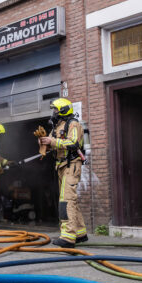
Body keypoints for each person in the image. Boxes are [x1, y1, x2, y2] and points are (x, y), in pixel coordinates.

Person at [38, 98, 87, 248]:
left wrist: (52, 142)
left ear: (63, 111)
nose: (54, 113)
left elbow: (73, 143)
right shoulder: (58, 126)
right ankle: (80, 233)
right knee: (71, 199)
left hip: (71, 165)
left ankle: (68, 237)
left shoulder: (73, 124)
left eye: (56, 110)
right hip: (61, 167)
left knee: (66, 200)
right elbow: (54, 144)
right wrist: (44, 142)